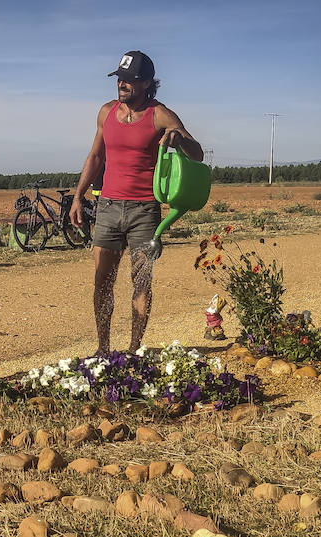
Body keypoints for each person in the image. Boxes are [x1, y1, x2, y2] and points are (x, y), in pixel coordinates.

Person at [70, 50, 203, 354]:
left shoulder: (161, 114)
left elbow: (198, 154)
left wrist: (179, 139)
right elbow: (95, 157)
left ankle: (133, 352)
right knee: (102, 281)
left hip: (145, 210)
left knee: (141, 282)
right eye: (120, 78)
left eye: (130, 79)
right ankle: (103, 350)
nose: (122, 83)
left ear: (146, 83)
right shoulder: (106, 112)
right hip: (108, 207)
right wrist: (78, 196)